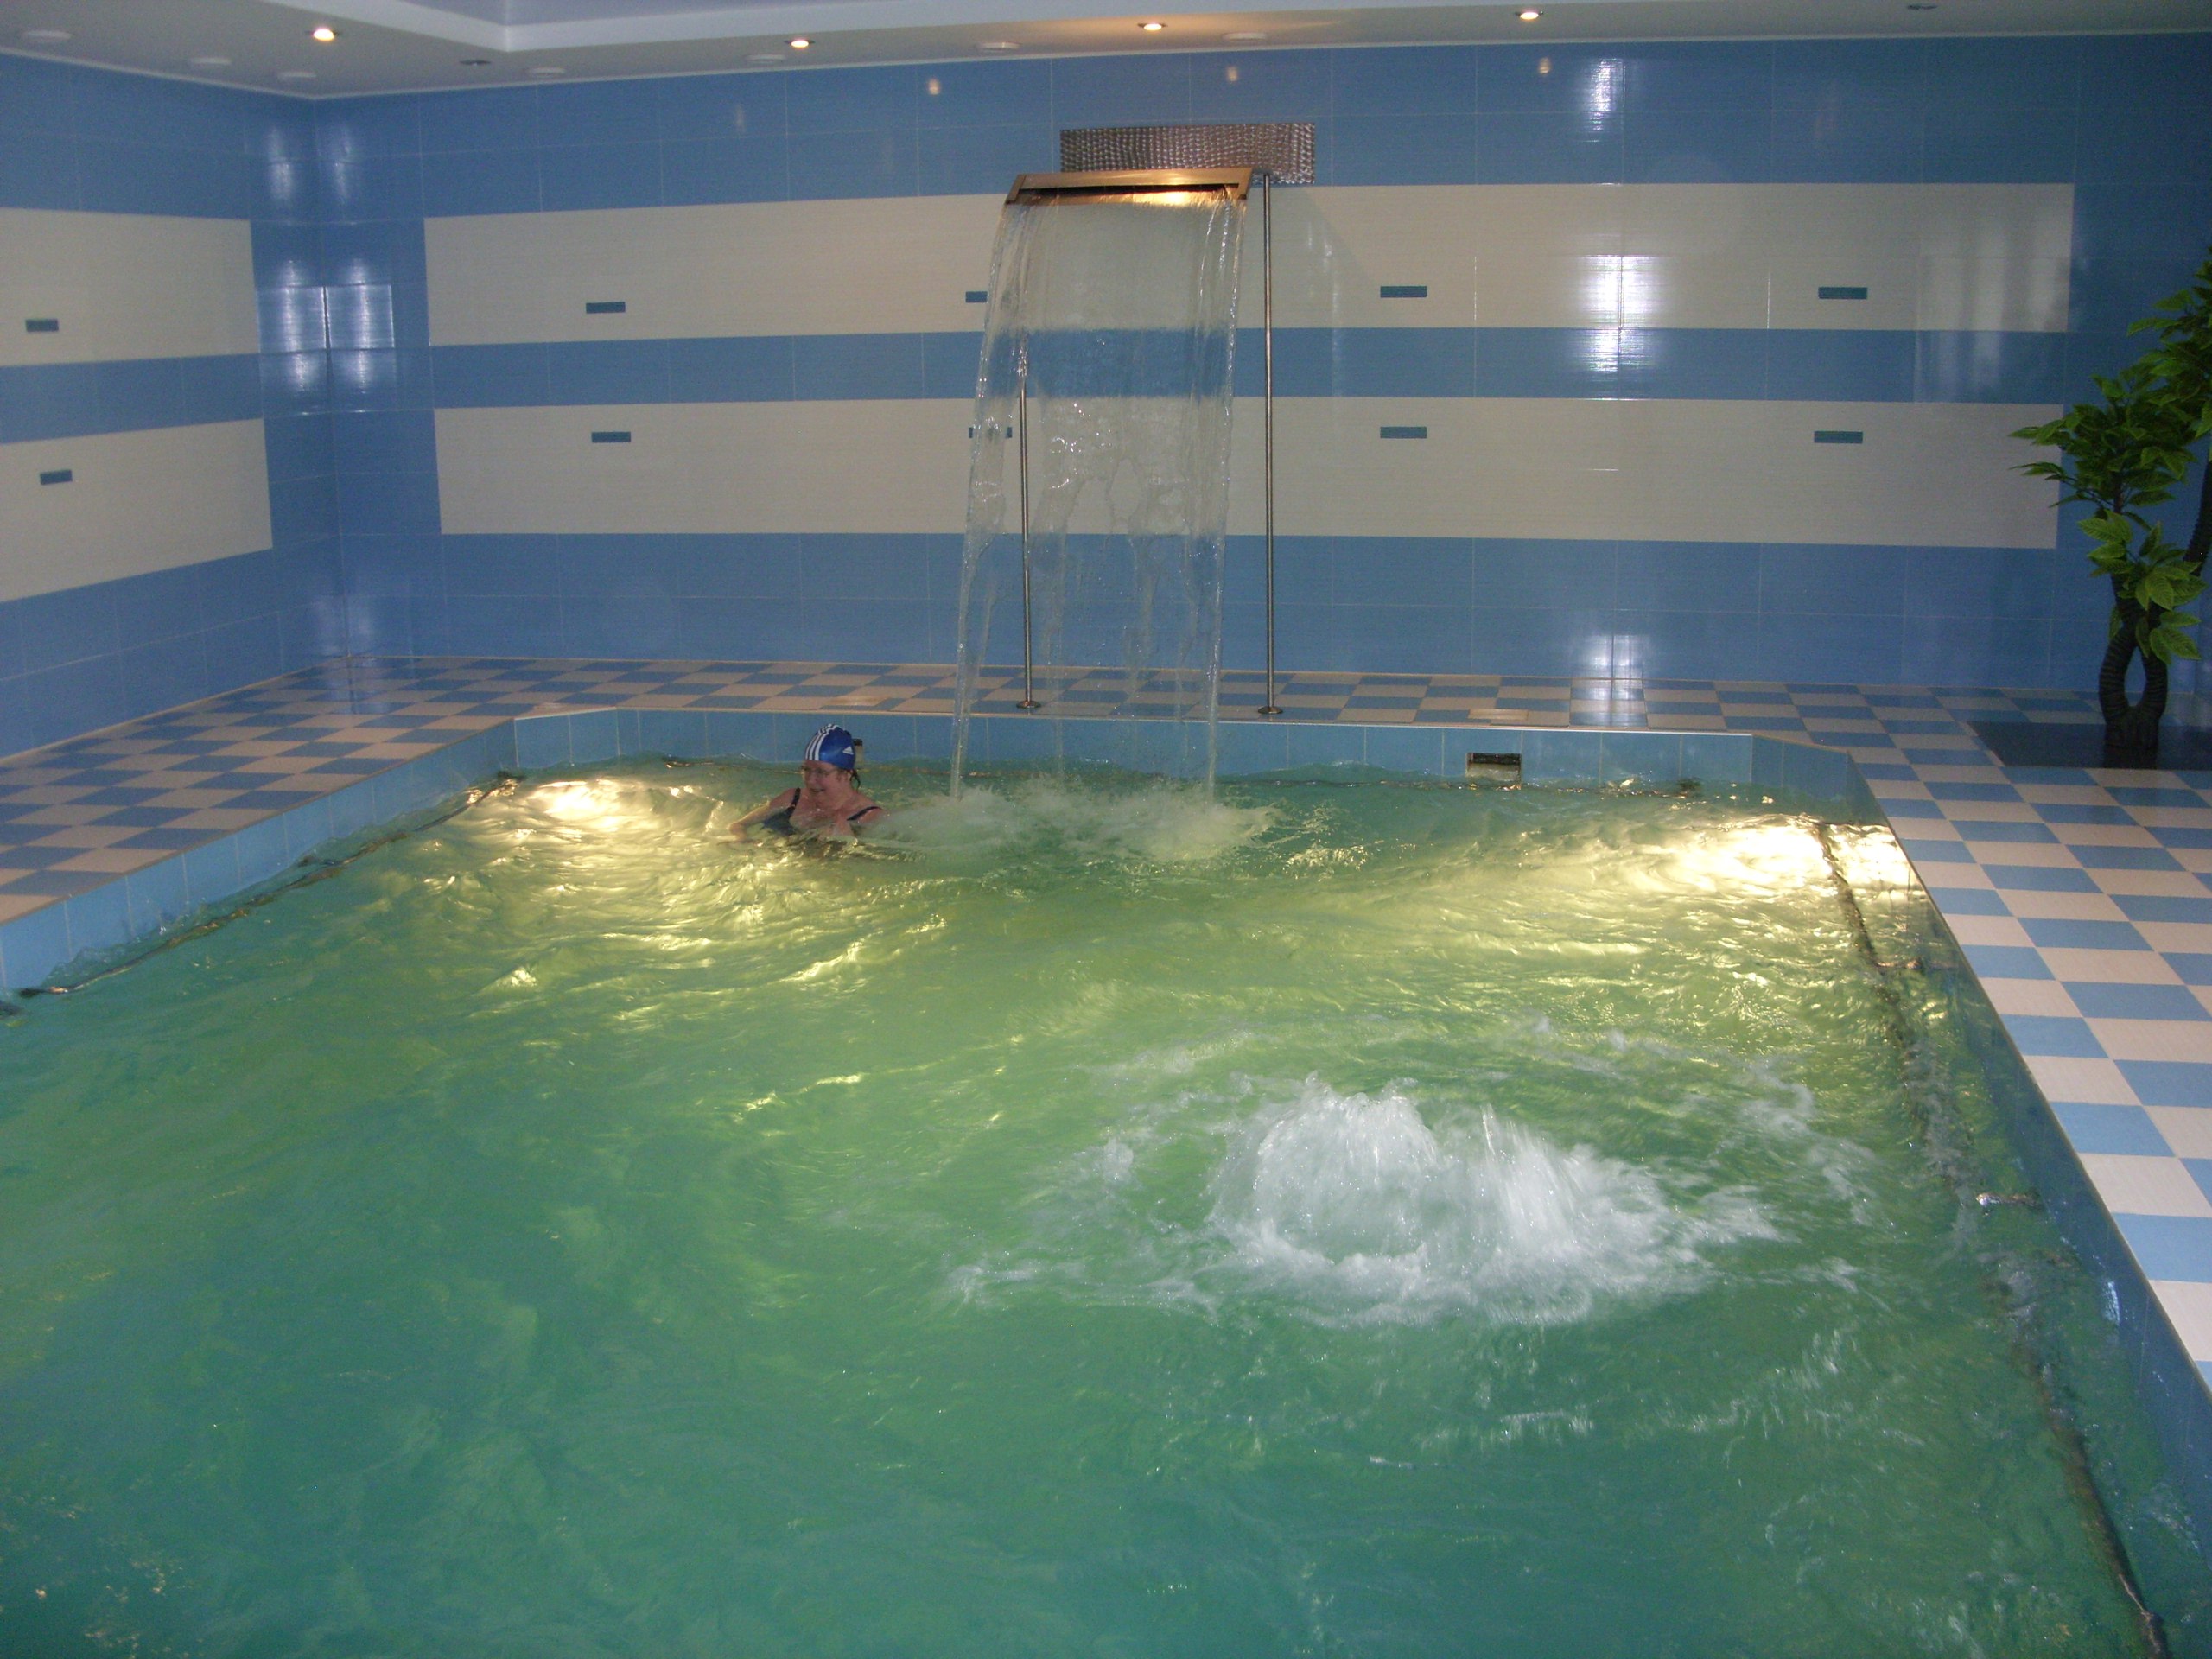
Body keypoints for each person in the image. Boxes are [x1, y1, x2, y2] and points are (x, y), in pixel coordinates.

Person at [734, 725, 884, 841]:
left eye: (821, 772)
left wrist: (844, 843)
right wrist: (741, 838)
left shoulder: (869, 816)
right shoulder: (792, 799)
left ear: (846, 774)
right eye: (806, 769)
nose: (810, 780)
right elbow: (737, 825)